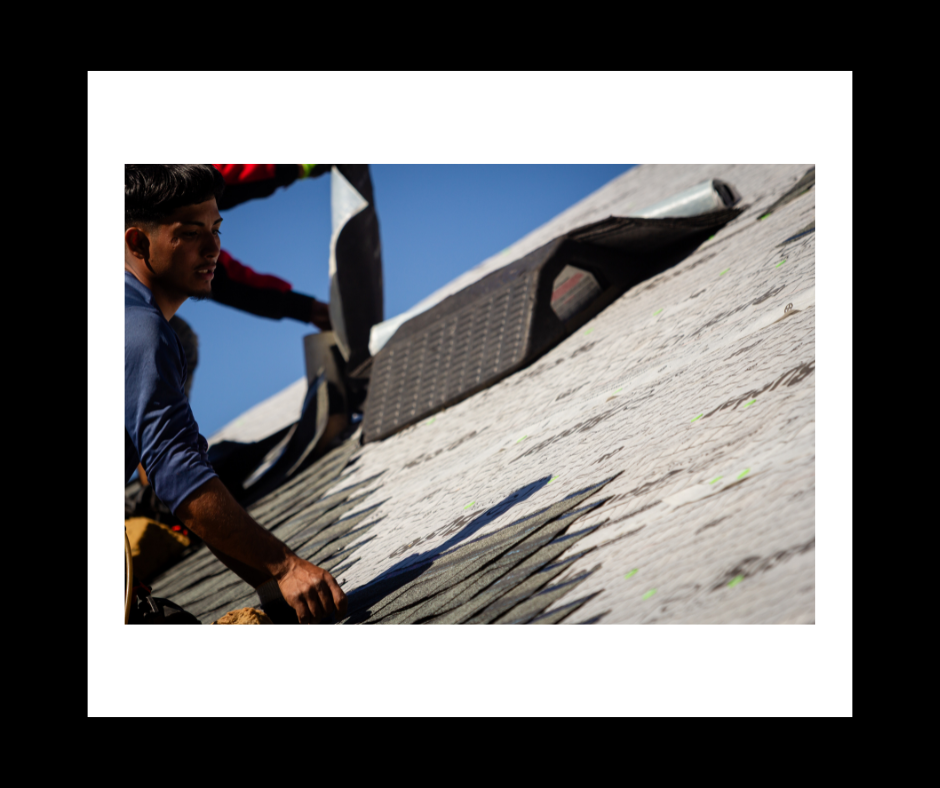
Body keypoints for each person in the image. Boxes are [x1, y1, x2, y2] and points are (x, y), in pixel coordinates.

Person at [125, 164, 347, 624]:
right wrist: (284, 567)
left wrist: (271, 584)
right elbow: (181, 476)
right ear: (137, 243)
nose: (213, 248)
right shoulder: (138, 331)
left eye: (217, 228)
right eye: (190, 233)